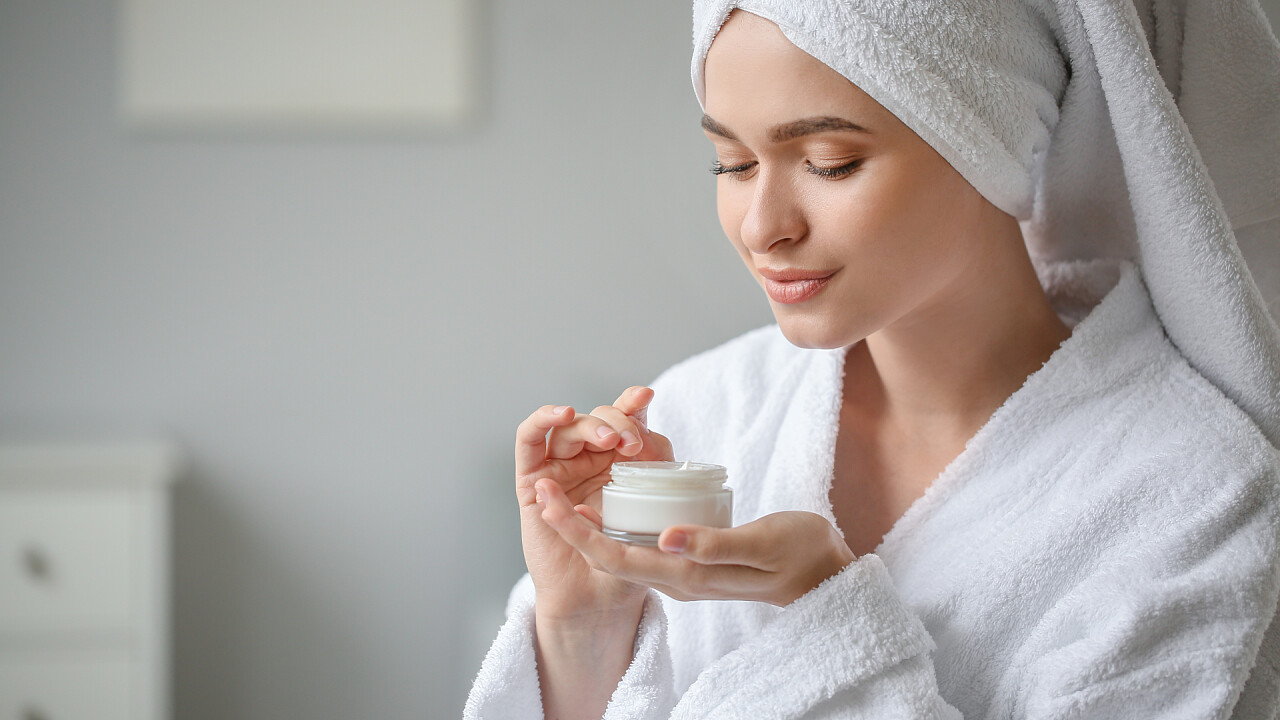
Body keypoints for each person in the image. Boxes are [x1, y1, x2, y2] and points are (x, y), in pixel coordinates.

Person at [467, 0, 1280, 717]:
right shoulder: (699, 415)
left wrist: (822, 613)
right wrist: (583, 626)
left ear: (990, 137)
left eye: (829, 162)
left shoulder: (1195, 492)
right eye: (733, 163)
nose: (762, 227)